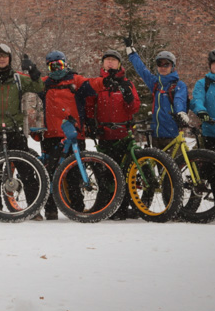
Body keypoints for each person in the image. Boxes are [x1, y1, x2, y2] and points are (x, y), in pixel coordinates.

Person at [0, 43, 46, 216]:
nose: (1, 59)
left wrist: (34, 72)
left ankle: (33, 209)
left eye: (4, 57)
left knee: (26, 170)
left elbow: (39, 88)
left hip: (14, 129)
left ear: (9, 59)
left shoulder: (18, 79)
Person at [82, 49, 140, 218]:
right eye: (107, 60)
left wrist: (128, 96)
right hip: (104, 135)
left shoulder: (127, 83)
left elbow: (134, 107)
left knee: (125, 173)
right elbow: (89, 105)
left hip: (123, 134)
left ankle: (124, 207)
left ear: (119, 64)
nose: (110, 63)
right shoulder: (98, 83)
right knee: (105, 175)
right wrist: (91, 123)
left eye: (113, 60)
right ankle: (106, 206)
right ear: (102, 64)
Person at [36, 50, 94, 218]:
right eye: (52, 66)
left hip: (74, 135)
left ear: (65, 64)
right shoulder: (44, 83)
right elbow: (28, 83)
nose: (56, 69)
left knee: (75, 174)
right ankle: (51, 209)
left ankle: (77, 208)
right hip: (51, 134)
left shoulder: (76, 80)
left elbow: (92, 87)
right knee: (51, 174)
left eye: (59, 65)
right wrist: (31, 71)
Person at [124, 46, 191, 150]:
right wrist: (132, 54)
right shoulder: (156, 84)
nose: (163, 67)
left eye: (166, 64)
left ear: (172, 66)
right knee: (159, 166)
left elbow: (180, 99)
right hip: (155, 135)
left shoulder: (178, 85)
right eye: (160, 64)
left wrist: (181, 112)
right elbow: (142, 70)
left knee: (174, 165)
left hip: (172, 135)